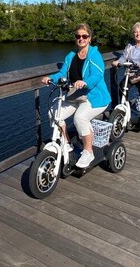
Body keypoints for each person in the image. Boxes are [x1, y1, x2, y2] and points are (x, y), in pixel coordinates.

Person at [41, 24, 111, 169]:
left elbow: (97, 75)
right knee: (54, 114)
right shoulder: (71, 55)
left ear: (89, 38)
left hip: (94, 96)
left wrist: (85, 82)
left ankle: (88, 151)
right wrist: (51, 78)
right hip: (75, 95)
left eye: (84, 36)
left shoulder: (94, 55)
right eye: (78, 36)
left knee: (80, 118)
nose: (81, 39)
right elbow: (62, 73)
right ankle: (66, 144)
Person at [113, 22, 140, 125]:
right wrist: (118, 62)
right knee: (122, 86)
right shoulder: (130, 45)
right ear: (133, 34)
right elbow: (124, 57)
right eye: (135, 32)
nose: (138, 34)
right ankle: (126, 108)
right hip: (133, 73)